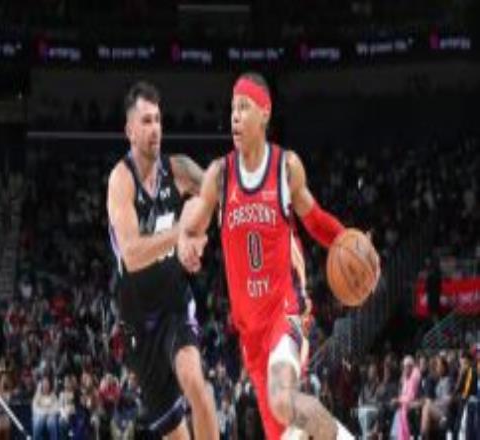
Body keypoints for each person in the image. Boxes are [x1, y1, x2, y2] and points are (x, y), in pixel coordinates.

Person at [178, 72, 380, 439]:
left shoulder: (286, 168)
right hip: (249, 328)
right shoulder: (220, 175)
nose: (235, 116)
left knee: (283, 400)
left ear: (265, 113)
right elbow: (195, 226)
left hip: (285, 308)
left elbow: (315, 220)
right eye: (232, 108)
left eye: (244, 107)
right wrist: (187, 243)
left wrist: (350, 242)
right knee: (284, 428)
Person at [107, 80, 218, 439]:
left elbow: (217, 195)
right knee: (174, 434)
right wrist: (181, 232)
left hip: (174, 304)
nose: (154, 128)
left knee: (194, 382)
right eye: (146, 121)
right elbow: (132, 255)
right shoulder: (121, 181)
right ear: (129, 130)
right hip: (138, 323)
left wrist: (198, 237)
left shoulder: (179, 168)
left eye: (157, 119)